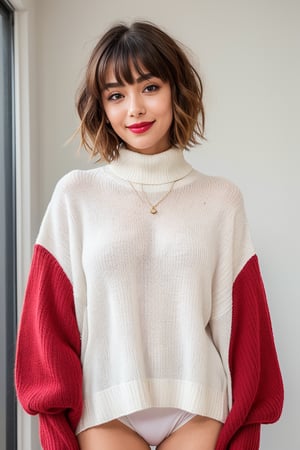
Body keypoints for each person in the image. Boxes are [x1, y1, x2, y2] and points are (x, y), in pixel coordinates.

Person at [15, 21, 284, 450]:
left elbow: (246, 330)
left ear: (176, 90)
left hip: (199, 404)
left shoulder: (221, 199)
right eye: (116, 95)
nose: (135, 109)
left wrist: (247, 426)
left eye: (150, 87)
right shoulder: (76, 194)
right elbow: (47, 325)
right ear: (101, 107)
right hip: (105, 407)